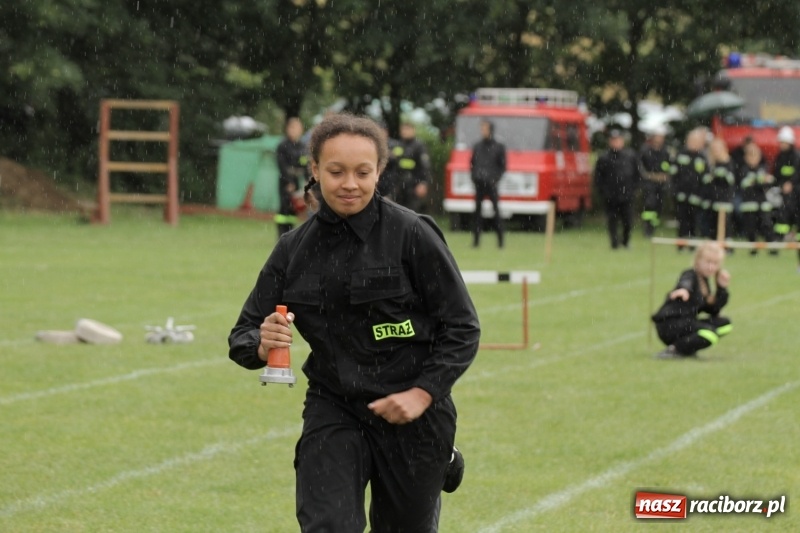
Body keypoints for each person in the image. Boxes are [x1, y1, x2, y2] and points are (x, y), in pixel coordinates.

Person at [228, 113, 481, 532]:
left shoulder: (413, 234)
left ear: (379, 171)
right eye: (336, 171)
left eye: (363, 172)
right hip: (335, 407)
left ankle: (442, 457)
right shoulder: (292, 250)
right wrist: (259, 342)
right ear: (314, 170)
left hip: (413, 414)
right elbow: (243, 334)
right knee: (328, 525)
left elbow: (462, 327)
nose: (350, 183)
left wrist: (422, 394)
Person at [651, 240, 732, 359]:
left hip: (686, 322)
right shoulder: (690, 274)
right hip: (670, 324)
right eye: (708, 262)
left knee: (725, 324)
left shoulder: (704, 282)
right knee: (710, 334)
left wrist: (722, 288)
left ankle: (688, 347)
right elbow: (686, 282)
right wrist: (684, 289)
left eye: (715, 263)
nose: (711, 267)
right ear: (698, 261)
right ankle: (675, 349)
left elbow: (713, 310)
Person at [593, 129, 640, 249]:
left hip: (627, 195)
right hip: (610, 196)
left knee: (627, 221)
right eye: (613, 140)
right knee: (612, 220)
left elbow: (637, 174)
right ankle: (614, 243)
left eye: (618, 140)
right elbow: (598, 178)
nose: (616, 143)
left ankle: (625, 241)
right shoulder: (604, 158)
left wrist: (634, 189)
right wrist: (603, 192)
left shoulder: (630, 156)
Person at [470, 119, 506, 248]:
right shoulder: (477, 146)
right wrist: (474, 177)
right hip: (479, 184)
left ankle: (501, 241)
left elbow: (503, 166)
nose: (482, 131)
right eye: (481, 129)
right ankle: (476, 242)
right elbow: (472, 163)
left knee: (496, 212)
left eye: (485, 128)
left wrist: (494, 179)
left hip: (492, 185)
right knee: (477, 214)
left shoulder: (498, 147)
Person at [736, 143, 777, 255]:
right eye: (750, 156)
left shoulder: (762, 169)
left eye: (755, 156)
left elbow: (768, 182)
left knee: (767, 226)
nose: (753, 159)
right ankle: (753, 249)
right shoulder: (743, 170)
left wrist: (760, 182)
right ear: (746, 158)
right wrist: (759, 181)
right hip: (748, 205)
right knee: (751, 228)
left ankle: (773, 248)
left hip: (762, 204)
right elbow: (745, 184)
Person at [671, 128, 709, 249]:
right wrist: (675, 191)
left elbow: (705, 177)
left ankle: (692, 244)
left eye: (697, 141)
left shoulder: (702, 157)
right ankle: (681, 244)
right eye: (692, 140)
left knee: (694, 221)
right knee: (682, 220)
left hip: (696, 197)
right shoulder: (680, 155)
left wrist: (702, 194)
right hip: (681, 195)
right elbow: (673, 175)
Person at [771, 126, 800, 268]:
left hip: (796, 195)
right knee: (780, 218)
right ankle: (777, 242)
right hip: (783, 194)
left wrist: (791, 184)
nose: (782, 144)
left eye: (784, 142)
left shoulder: (796, 156)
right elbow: (777, 174)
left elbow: (796, 174)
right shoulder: (780, 157)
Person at [275, 117, 309, 236]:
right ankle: (281, 235)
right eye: (293, 127)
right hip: (285, 182)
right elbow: (282, 166)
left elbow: (305, 165)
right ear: (288, 129)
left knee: (294, 209)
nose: (296, 130)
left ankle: (290, 235)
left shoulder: (302, 147)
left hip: (298, 182)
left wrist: (307, 181)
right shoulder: (282, 146)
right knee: (284, 209)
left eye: (298, 128)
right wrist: (289, 182)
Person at [638, 125, 672, 237]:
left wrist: (665, 175)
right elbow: (641, 168)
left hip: (661, 184)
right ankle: (647, 228)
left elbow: (668, 166)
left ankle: (654, 226)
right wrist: (651, 176)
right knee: (649, 205)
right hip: (649, 184)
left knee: (658, 206)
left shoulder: (665, 151)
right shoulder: (645, 150)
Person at [702, 138, 736, 241]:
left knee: (725, 225)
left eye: (718, 149)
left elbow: (732, 181)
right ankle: (713, 245)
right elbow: (705, 180)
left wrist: (723, 174)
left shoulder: (729, 163)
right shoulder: (710, 164)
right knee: (713, 225)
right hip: (712, 200)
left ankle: (727, 246)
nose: (716, 151)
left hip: (724, 200)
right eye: (714, 149)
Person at [394, 122, 432, 213]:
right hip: (399, 185)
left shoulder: (419, 146)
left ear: (413, 130)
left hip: (413, 184)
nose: (404, 132)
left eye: (407, 129)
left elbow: (425, 166)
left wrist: (423, 183)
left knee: (412, 212)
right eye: (403, 129)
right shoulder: (398, 145)